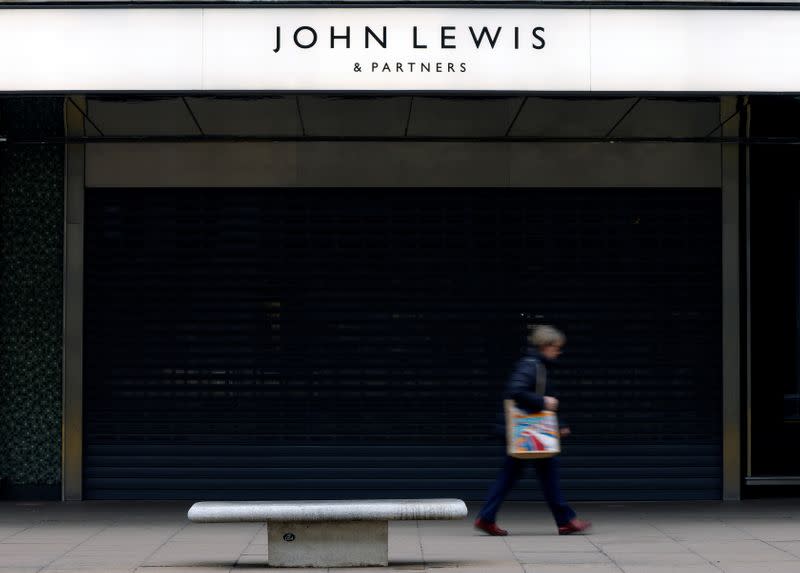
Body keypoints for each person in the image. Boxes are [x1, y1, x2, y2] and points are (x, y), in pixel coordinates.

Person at [474, 324, 591, 536]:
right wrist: (543, 401)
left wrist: (560, 423)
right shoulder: (531, 365)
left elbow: (546, 400)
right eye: (556, 347)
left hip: (528, 431)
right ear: (545, 346)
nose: (558, 351)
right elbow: (516, 390)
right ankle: (565, 520)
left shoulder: (539, 365)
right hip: (526, 432)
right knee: (542, 472)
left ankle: (487, 517)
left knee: (518, 474)